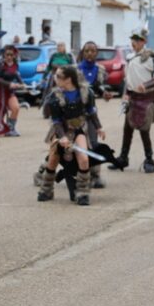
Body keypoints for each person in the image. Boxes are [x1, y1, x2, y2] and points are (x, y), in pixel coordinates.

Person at [37, 66, 103, 206]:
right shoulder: (55, 96)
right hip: (60, 130)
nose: (55, 78)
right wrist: (62, 137)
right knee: (53, 159)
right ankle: (46, 189)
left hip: (78, 130)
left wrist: (99, 128)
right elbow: (56, 121)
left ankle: (83, 192)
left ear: (68, 79)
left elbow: (91, 112)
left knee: (84, 159)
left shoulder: (86, 93)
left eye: (59, 76)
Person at [110, 28, 154, 173]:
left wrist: (146, 85)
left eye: (137, 40)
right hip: (132, 99)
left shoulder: (151, 58)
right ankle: (123, 158)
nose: (134, 42)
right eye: (132, 40)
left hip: (146, 99)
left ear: (144, 42)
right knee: (127, 129)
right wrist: (126, 95)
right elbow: (129, 80)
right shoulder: (130, 58)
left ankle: (149, 159)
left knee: (144, 130)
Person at [77, 41, 112, 189]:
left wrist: (104, 93)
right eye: (87, 51)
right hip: (75, 113)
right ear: (83, 53)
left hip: (91, 113)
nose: (90, 54)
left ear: (97, 53)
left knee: (93, 143)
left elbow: (97, 88)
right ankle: (46, 172)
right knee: (70, 145)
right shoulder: (76, 70)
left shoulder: (99, 70)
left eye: (93, 51)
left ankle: (95, 175)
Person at [0, 45, 25, 137]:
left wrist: (21, 83)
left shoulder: (15, 64)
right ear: (3, 54)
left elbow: (15, 74)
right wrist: (10, 84)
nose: (9, 57)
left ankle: (10, 129)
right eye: (7, 54)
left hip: (8, 91)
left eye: (11, 55)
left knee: (15, 108)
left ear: (14, 55)